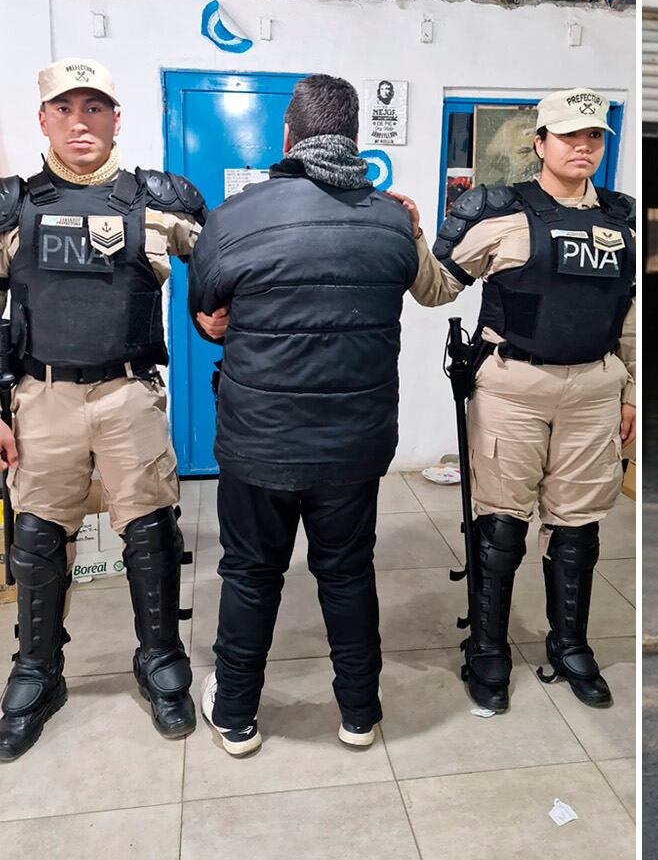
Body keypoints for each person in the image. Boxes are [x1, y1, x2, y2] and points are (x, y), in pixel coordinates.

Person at [186, 74, 420, 755]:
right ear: (355, 139)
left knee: (251, 573)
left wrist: (232, 321)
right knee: (347, 573)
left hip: (260, 441)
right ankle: (358, 715)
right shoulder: (390, 220)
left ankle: (234, 716)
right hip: (354, 444)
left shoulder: (237, 216)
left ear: (286, 137)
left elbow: (208, 315)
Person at [0, 59, 207, 761]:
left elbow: (231, 259)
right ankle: (37, 672)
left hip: (127, 393)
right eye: (65, 108)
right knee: (35, 540)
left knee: (150, 531)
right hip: (42, 395)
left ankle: (159, 661)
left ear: (118, 117)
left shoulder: (160, 200)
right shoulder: (11, 205)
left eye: (95, 108)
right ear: (43, 119)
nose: (80, 122)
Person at [408, 87, 635, 712]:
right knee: (501, 525)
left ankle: (570, 644)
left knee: (579, 528)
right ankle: (487, 647)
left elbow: (629, 313)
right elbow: (435, 291)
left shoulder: (622, 217)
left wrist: (630, 391)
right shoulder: (498, 212)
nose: (583, 147)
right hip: (513, 387)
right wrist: (412, 237)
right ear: (540, 144)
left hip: (594, 387)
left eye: (593, 137)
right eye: (569, 136)